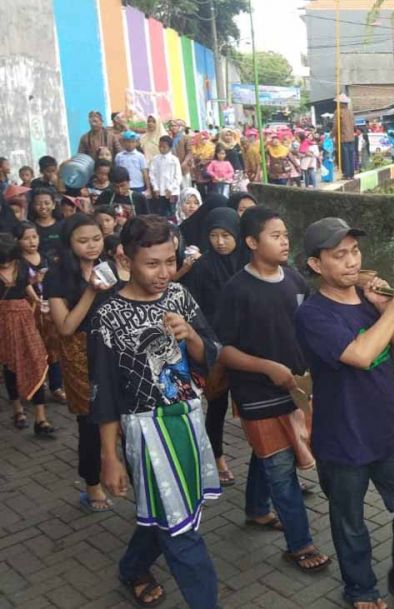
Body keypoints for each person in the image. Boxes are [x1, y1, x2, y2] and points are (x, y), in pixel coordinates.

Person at [294, 217, 394, 609]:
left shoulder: (372, 302)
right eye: (338, 255)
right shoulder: (313, 315)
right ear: (315, 265)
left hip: (390, 430)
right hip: (342, 438)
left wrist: (382, 307)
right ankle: (361, 589)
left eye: (354, 251)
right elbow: (359, 356)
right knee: (350, 523)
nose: (351, 262)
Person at [90, 215, 220, 609]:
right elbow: (105, 394)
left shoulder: (180, 296)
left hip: (189, 420)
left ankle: (132, 567)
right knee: (180, 530)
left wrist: (191, 335)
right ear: (126, 260)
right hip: (146, 433)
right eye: (153, 263)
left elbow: (211, 355)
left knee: (167, 510)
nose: (164, 272)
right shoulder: (106, 316)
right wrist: (109, 457)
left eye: (170, 260)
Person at [214, 207, 331, 574]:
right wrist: (267, 367)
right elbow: (225, 350)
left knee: (268, 454)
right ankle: (300, 543)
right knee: (281, 469)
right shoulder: (237, 290)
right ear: (252, 242)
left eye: (285, 234)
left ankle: (257, 511)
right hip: (256, 393)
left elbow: (308, 325)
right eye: (275, 235)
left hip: (295, 389)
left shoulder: (295, 280)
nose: (285, 241)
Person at [46, 214, 117, 512]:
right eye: (83, 241)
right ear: (68, 243)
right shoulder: (57, 276)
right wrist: (91, 290)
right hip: (79, 355)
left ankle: (119, 467)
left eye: (96, 239)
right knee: (90, 422)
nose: (91, 246)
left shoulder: (108, 267)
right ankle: (91, 484)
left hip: (112, 350)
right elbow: (64, 326)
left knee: (120, 415)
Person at [181, 207, 247, 487]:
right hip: (215, 348)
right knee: (217, 405)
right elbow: (194, 310)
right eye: (214, 235)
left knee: (252, 404)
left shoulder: (248, 262)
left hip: (246, 347)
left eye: (226, 235)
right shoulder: (202, 268)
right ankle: (218, 458)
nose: (220, 241)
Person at [0, 232, 55, 436]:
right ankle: (18, 410)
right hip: (3, 322)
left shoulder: (22, 265)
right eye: (2, 262)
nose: (5, 265)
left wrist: (38, 302)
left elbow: (27, 287)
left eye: (8, 261)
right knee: (10, 365)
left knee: (36, 361)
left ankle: (41, 418)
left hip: (25, 318)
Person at [16, 221, 66, 407]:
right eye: (26, 238)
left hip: (49, 309)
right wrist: (34, 280)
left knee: (54, 348)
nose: (31, 242)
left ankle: (56, 386)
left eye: (34, 237)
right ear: (18, 241)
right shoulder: (18, 263)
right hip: (29, 311)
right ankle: (36, 384)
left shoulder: (46, 259)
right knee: (34, 349)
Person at [149, 135, 183, 218]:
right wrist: (155, 188)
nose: (161, 149)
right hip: (160, 191)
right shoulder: (156, 159)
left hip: (172, 192)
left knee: (173, 212)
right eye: (160, 146)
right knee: (161, 212)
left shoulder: (174, 160)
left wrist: (171, 188)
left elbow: (178, 177)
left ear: (170, 147)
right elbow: (152, 174)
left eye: (164, 147)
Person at [29, 188, 63, 260]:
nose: (43, 207)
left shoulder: (63, 226)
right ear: (33, 206)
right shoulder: (30, 227)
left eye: (47, 203)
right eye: (38, 204)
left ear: (53, 205)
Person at [115, 131, 151, 197]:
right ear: (123, 142)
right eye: (128, 141)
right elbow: (117, 172)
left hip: (138, 186)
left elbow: (145, 172)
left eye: (133, 142)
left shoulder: (140, 156)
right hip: (124, 187)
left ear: (136, 143)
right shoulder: (119, 156)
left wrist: (148, 188)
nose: (130, 144)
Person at [336, 94, 357, 180]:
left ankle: (346, 174)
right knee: (351, 156)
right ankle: (351, 174)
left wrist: (331, 135)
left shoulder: (338, 112)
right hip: (351, 137)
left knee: (345, 157)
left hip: (343, 137)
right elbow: (354, 124)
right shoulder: (350, 112)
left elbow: (336, 126)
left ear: (341, 104)